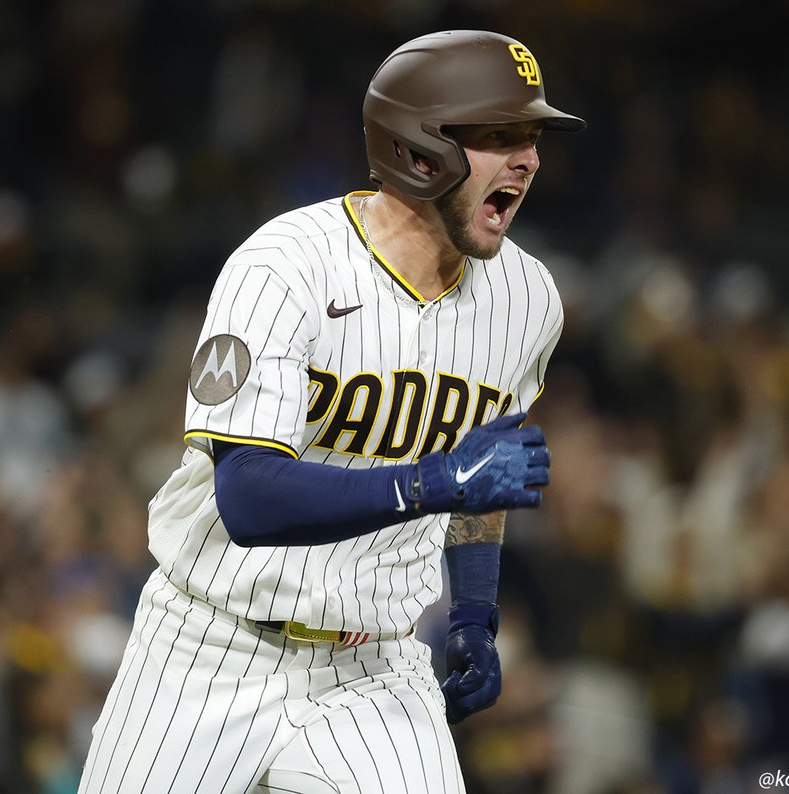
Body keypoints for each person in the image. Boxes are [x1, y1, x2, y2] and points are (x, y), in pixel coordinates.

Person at [77, 29, 584, 793]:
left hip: (376, 667)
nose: (529, 158)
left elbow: (483, 480)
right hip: (209, 647)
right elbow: (247, 494)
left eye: (533, 136)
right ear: (421, 148)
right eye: (500, 135)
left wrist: (475, 613)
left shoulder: (528, 298)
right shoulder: (285, 266)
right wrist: (430, 484)